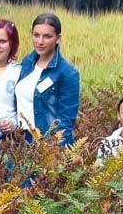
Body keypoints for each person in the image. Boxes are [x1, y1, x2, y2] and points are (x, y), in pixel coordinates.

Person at [14, 12, 80, 146]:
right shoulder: (27, 62)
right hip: (20, 141)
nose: (40, 42)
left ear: (58, 38)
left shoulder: (68, 73)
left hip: (47, 144)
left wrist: (59, 156)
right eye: (36, 35)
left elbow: (66, 121)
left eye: (47, 36)